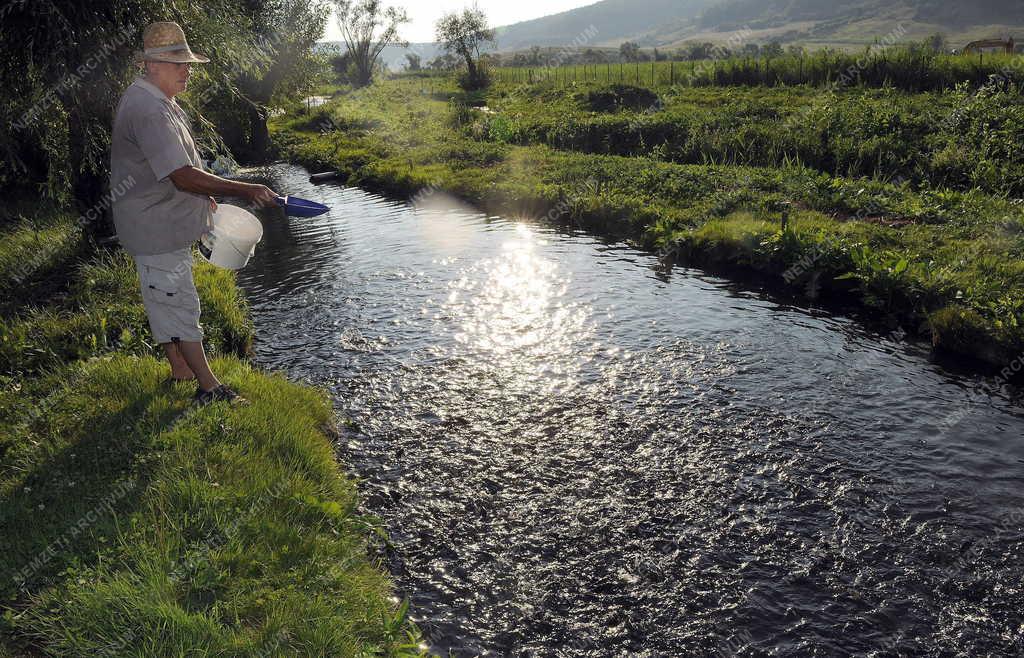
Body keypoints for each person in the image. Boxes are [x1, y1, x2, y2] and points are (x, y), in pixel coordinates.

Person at [110, 21, 279, 406]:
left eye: (187, 62)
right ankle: (209, 388)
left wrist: (207, 200)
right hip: (155, 227)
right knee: (180, 301)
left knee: (162, 296)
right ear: (151, 65)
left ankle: (180, 368)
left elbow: (177, 170)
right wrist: (245, 188)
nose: (186, 70)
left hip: (157, 221)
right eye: (176, 62)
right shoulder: (149, 109)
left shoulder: (158, 100)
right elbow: (182, 176)